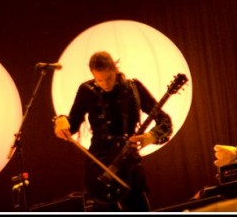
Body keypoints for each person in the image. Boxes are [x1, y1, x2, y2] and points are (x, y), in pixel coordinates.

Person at [53, 50, 173, 212]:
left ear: (115, 69)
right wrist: (60, 120)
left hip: (128, 166)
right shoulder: (87, 90)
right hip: (98, 167)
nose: (105, 84)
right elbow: (72, 124)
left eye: (109, 78)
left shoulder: (133, 88)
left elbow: (165, 122)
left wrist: (149, 137)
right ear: (93, 76)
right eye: (99, 80)